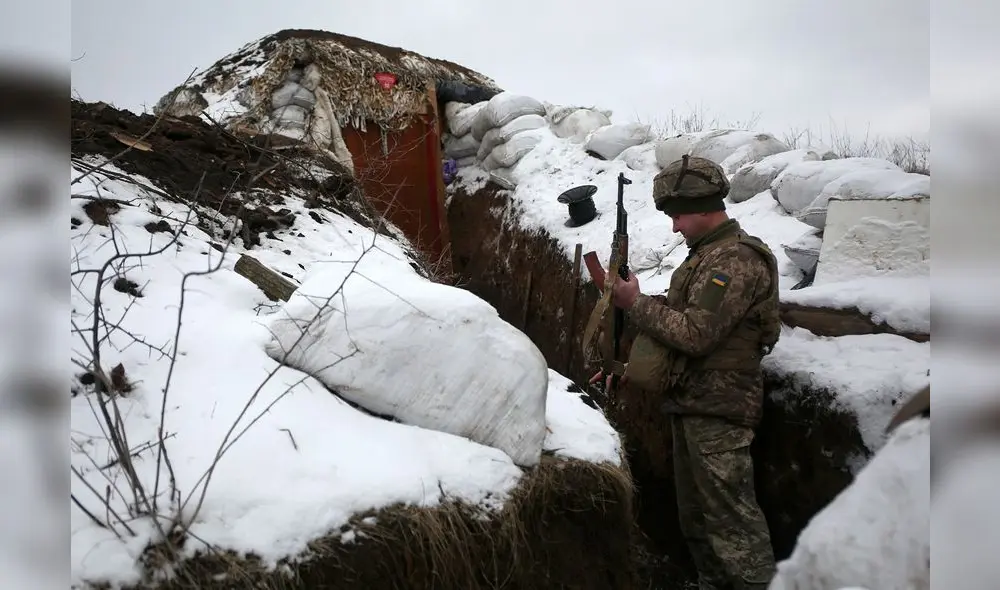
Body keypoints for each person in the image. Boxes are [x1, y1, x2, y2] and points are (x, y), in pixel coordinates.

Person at [591, 155, 782, 590]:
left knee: (733, 527)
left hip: (719, 410)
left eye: (677, 216)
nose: (674, 227)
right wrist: (642, 299)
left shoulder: (733, 261)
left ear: (704, 208)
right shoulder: (707, 256)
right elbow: (688, 313)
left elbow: (697, 334)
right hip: (692, 401)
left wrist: (633, 305)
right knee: (696, 519)